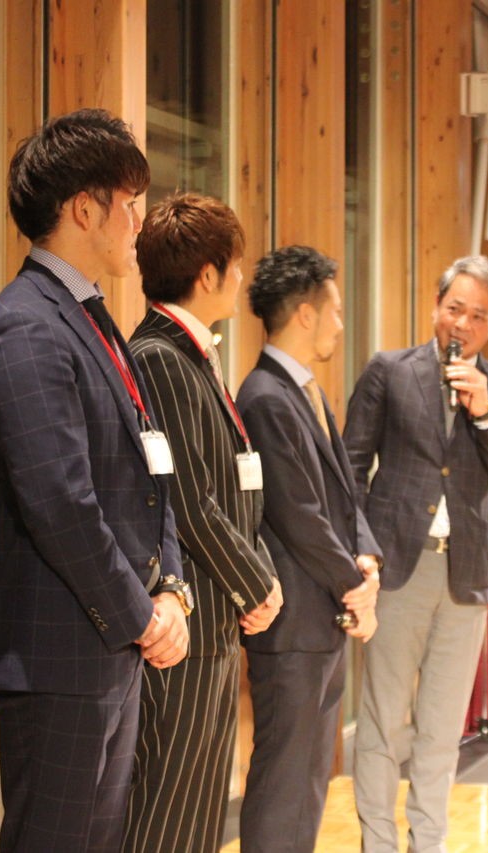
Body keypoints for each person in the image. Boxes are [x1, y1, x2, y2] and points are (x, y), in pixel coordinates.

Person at [0, 108, 189, 853]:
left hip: (109, 643)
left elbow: (152, 469)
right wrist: (142, 614)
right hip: (60, 651)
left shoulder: (90, 316)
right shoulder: (26, 325)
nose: (139, 221)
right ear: (83, 210)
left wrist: (172, 590)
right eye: (130, 203)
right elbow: (60, 501)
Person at [345, 255, 488, 853]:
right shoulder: (389, 371)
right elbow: (350, 468)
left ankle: (429, 842)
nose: (463, 324)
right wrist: (361, 554)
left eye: (478, 316)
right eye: (455, 309)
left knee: (442, 729)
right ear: (435, 307)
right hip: (398, 568)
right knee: (382, 721)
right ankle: (377, 843)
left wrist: (485, 414)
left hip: (466, 574)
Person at [122, 192, 282, 853]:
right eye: (235, 264)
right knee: (168, 813)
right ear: (208, 273)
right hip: (189, 621)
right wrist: (258, 583)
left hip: (213, 621)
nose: (241, 277)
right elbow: (187, 499)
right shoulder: (159, 355)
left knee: (198, 814)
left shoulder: (190, 355)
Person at [235, 245, 382, 853]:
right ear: (304, 314)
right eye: (335, 311)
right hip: (293, 625)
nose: (341, 324)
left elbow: (345, 494)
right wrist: (356, 587)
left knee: (309, 786)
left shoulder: (305, 391)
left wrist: (367, 559)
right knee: (284, 785)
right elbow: (299, 516)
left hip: (320, 620)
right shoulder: (264, 396)